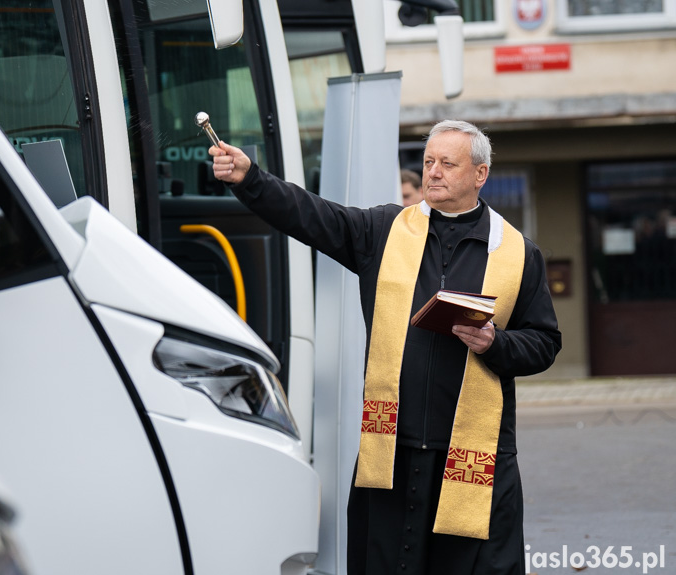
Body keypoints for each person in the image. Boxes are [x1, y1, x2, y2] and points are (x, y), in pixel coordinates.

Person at [209, 120, 561, 575]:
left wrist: (495, 343)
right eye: (428, 162)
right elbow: (313, 216)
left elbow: (545, 342)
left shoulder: (517, 252)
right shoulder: (386, 230)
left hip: (473, 456)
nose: (433, 172)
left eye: (447, 164)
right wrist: (250, 179)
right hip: (392, 450)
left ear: (480, 174)